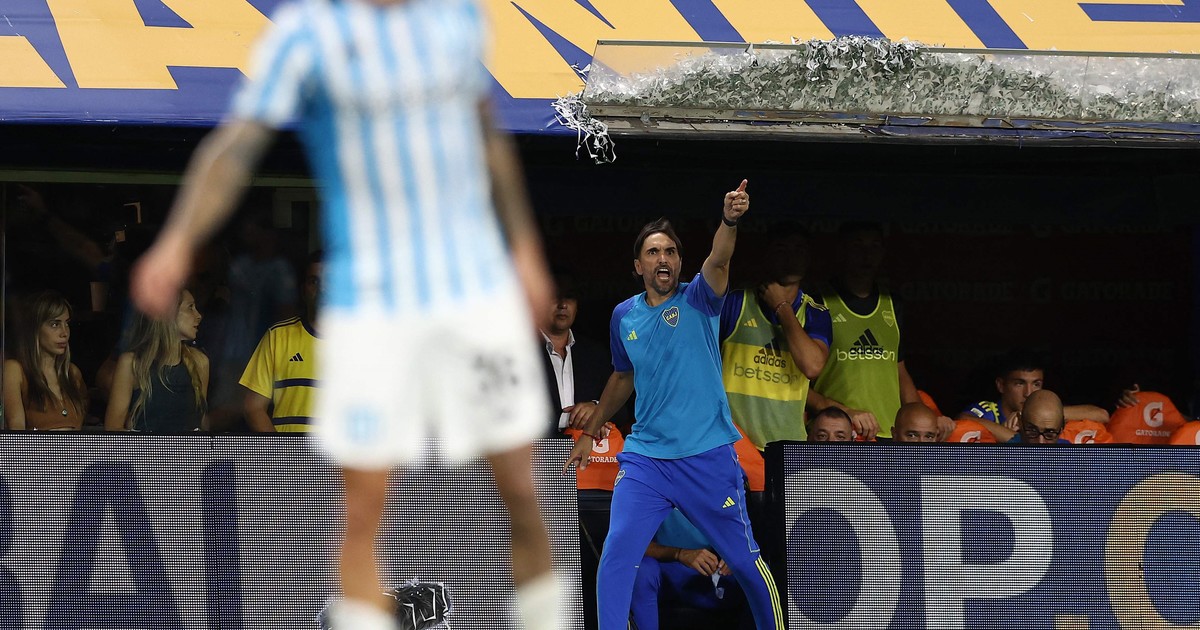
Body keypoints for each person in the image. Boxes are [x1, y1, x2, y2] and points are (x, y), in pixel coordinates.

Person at [128, 2, 560, 629]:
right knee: (363, 511)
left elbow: (487, 134)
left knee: (521, 489)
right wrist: (176, 239)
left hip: (473, 289)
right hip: (370, 303)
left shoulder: (458, 16)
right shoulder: (305, 33)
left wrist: (525, 251)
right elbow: (236, 146)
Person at [566, 185, 784, 630]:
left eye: (670, 251)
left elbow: (719, 259)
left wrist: (729, 220)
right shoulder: (623, 316)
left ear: (681, 262)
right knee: (616, 556)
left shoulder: (700, 298)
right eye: (652, 252)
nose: (662, 258)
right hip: (646, 458)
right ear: (638, 266)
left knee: (746, 563)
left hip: (706, 456)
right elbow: (623, 377)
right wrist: (591, 431)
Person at [540, 274, 625, 630]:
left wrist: (597, 408)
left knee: (591, 571)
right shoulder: (519, 352)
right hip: (542, 475)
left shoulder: (596, 354)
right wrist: (570, 416)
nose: (562, 305)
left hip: (593, 483)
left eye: (570, 298)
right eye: (555, 296)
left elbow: (624, 408)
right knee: (550, 573)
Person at [807, 222, 926, 440]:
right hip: (842, 435)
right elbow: (796, 385)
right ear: (842, 250)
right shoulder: (817, 302)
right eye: (858, 245)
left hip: (890, 432)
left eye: (874, 246)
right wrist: (845, 412)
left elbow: (899, 370)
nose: (866, 254)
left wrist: (926, 419)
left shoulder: (893, 303)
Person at [719, 226, 831, 447]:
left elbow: (812, 366)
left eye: (799, 250)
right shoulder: (736, 303)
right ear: (766, 255)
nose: (791, 257)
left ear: (808, 258)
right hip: (735, 446)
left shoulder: (815, 312)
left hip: (787, 445)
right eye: (781, 249)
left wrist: (782, 307)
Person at [239, 251, 323, 433]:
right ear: (304, 289)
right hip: (288, 451)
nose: (323, 289)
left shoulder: (362, 343)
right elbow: (253, 407)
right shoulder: (278, 336)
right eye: (314, 281)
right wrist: (280, 449)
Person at [104, 289, 208, 432]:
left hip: (186, 446)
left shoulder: (199, 362)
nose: (198, 316)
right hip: (144, 446)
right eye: (190, 307)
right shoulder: (132, 363)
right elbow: (113, 428)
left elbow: (201, 424)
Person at [631, 509, 747, 630]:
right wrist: (679, 554)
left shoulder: (727, 498)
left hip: (713, 573)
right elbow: (632, 544)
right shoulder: (648, 497)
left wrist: (735, 554)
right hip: (663, 572)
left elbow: (746, 540)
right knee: (642, 571)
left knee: (752, 573)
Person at [2, 290, 88, 430]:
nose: (64, 333)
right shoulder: (15, 370)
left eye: (67, 323)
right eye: (55, 324)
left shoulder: (72, 373)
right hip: (34, 445)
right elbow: (16, 429)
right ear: (35, 329)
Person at [957, 352, 1109, 430]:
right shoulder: (989, 411)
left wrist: (1037, 414)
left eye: (1036, 384)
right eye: (1019, 384)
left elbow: (1101, 415)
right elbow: (963, 419)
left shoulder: (1048, 412)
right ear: (1001, 385)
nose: (1028, 393)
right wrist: (1006, 432)